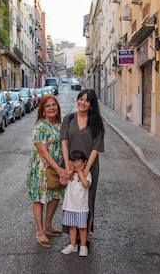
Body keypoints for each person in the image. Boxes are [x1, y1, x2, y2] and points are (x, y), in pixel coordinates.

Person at [60, 89, 105, 246]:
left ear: (91, 104)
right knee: (71, 198)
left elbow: (96, 148)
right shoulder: (68, 119)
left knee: (88, 199)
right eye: (80, 99)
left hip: (90, 167)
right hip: (71, 166)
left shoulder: (96, 122)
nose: (82, 102)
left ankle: (85, 233)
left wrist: (85, 171)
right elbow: (64, 142)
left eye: (86, 100)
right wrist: (67, 165)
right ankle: (73, 234)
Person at [26, 95, 68, 248]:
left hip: (57, 166)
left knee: (55, 196)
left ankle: (48, 225)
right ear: (42, 110)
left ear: (57, 108)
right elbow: (43, 151)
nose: (51, 108)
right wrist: (58, 168)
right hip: (41, 169)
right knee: (40, 198)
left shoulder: (59, 124)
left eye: (54, 105)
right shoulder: (40, 127)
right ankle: (40, 232)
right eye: (48, 106)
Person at [60, 150, 92, 257]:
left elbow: (86, 184)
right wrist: (69, 171)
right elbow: (62, 182)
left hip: (81, 208)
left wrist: (79, 172)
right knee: (72, 227)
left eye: (79, 162)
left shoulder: (86, 174)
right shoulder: (70, 175)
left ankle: (83, 245)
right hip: (69, 207)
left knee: (82, 228)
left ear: (85, 162)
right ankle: (73, 245)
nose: (76, 164)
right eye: (73, 162)